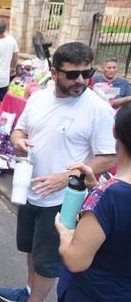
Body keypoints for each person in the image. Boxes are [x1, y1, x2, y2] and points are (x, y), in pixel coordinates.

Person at [0, 42, 117, 302]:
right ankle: (29, 291)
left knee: (48, 262)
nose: (81, 80)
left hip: (64, 201)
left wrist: (65, 179)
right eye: (72, 74)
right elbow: (20, 130)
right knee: (31, 248)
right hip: (28, 189)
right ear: (54, 73)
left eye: (87, 73)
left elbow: (108, 158)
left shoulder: (99, 110)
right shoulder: (39, 97)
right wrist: (17, 141)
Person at [55, 103, 131, 302]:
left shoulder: (109, 195)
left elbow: (75, 260)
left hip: (94, 293)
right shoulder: (107, 194)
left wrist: (65, 234)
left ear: (114, 131)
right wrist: (94, 187)